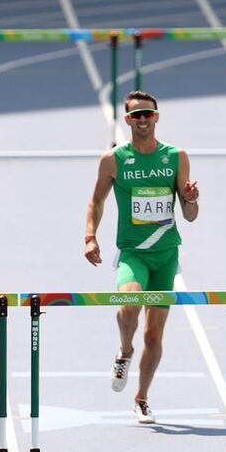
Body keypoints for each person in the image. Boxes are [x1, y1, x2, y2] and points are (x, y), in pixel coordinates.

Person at [84, 90, 200, 424]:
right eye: (137, 115)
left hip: (165, 255)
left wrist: (190, 199)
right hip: (133, 252)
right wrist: (90, 237)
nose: (143, 119)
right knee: (128, 305)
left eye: (148, 113)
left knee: (154, 334)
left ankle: (142, 398)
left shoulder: (175, 157)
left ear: (157, 117)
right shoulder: (113, 160)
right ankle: (124, 350)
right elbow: (96, 201)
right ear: (128, 120)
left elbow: (190, 215)